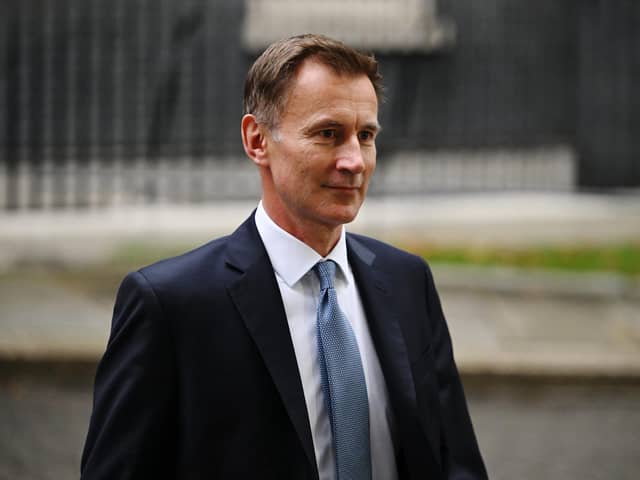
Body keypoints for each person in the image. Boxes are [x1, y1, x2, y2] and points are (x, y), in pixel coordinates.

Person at [81, 34, 487, 480]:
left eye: (365, 135)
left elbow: (455, 460)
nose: (354, 160)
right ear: (257, 140)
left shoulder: (408, 281)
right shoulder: (172, 305)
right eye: (328, 134)